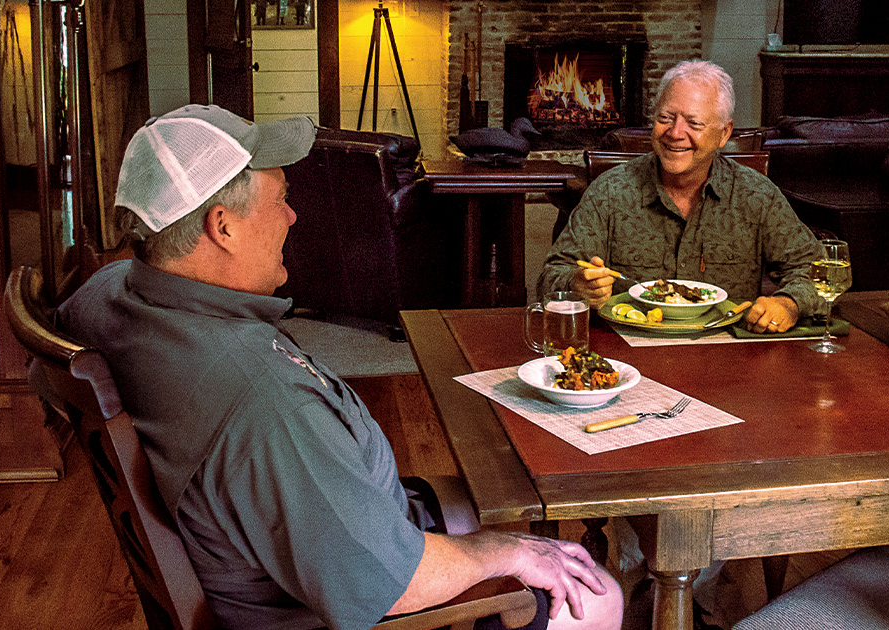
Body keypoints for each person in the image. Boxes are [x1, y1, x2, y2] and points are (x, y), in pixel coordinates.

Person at [57, 104, 623, 630]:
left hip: (298, 541)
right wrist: (505, 550)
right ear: (222, 227)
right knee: (596, 596)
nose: (293, 215)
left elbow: (51, 360)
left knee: (480, 506)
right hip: (313, 599)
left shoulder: (108, 293)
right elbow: (385, 587)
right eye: (280, 198)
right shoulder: (266, 403)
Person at [537, 60, 824, 332]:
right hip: (626, 356)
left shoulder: (756, 195)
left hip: (726, 357)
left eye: (694, 124)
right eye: (665, 118)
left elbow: (817, 270)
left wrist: (789, 304)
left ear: (724, 133)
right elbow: (553, 274)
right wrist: (577, 285)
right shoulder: (610, 191)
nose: (675, 132)